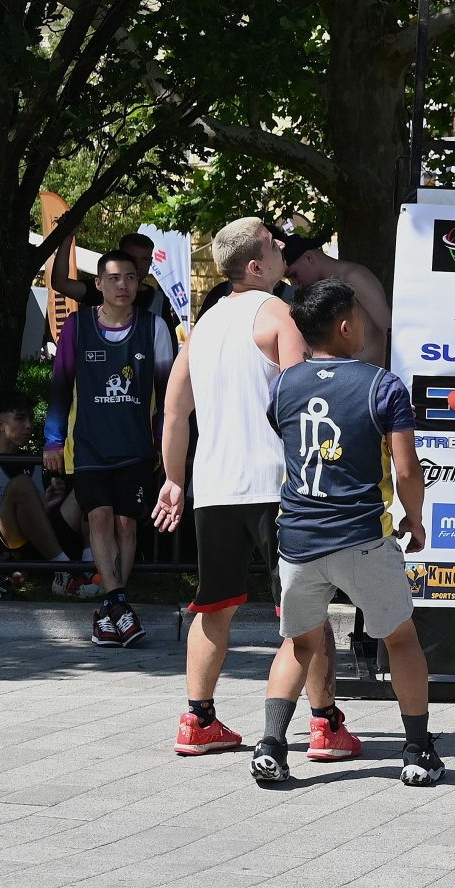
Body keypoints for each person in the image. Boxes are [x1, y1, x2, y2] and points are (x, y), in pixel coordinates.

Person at [254, 278, 443, 788]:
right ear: (344, 325)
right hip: (362, 535)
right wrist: (415, 518)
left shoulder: (284, 385)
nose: (363, 324)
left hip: (297, 539)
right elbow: (406, 470)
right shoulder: (382, 386)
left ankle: (271, 746)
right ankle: (417, 750)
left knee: (298, 643)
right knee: (401, 640)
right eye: (358, 316)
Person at [154, 217, 316, 755]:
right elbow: (302, 405)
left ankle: (197, 720)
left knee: (213, 604)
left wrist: (174, 480)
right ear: (254, 265)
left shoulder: (202, 328)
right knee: (304, 609)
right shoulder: (278, 313)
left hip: (217, 484)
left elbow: (175, 412)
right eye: (273, 246)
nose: (282, 251)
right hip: (278, 483)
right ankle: (325, 723)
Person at [45, 249, 174, 647]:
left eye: (131, 278)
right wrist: (53, 438)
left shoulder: (155, 328)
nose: (123, 285)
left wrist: (168, 450)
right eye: (114, 278)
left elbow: (169, 396)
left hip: (137, 447)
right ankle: (119, 601)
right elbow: (60, 387)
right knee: (98, 518)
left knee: (125, 524)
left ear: (140, 283)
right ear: (98, 284)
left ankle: (110, 610)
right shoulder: (78, 327)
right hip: (88, 446)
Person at [0, 391, 96, 596]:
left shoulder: (33, 462)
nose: (28, 425)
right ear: (1, 424)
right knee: (21, 484)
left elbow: (35, 515)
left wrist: (48, 502)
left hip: (34, 541)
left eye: (31, 418)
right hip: (1, 545)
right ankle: (65, 571)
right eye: (20, 418)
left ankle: (90, 567)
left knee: (87, 486)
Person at [283, 234, 392, 364]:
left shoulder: (355, 277)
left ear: (309, 258)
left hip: (373, 375)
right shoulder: (322, 290)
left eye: (294, 275)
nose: (294, 283)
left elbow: (389, 329)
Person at [53, 231, 181, 333]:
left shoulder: (158, 300)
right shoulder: (100, 288)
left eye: (145, 259)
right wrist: (68, 236)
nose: (138, 264)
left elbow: (170, 346)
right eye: (132, 258)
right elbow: (60, 283)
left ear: (151, 261)